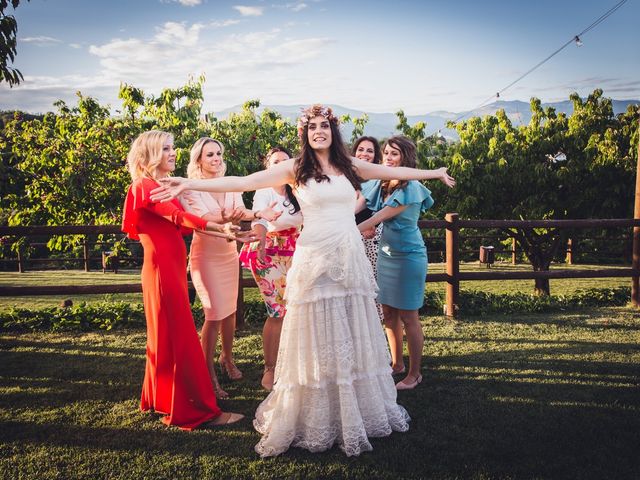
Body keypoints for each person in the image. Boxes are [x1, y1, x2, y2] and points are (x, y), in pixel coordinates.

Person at [150, 105, 455, 456]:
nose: (318, 132)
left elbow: (395, 169)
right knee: (316, 329)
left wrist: (434, 172)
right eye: (312, 128)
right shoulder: (295, 168)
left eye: (324, 126)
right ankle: (316, 406)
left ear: (332, 131)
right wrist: (188, 182)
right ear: (305, 134)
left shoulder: (348, 166)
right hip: (315, 256)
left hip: (349, 255)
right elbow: (245, 182)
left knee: (350, 325)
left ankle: (355, 405)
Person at [121, 130, 246, 429]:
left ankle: (158, 397)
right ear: (150, 154)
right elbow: (182, 220)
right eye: (166, 148)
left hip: (170, 268)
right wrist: (225, 230)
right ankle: (198, 411)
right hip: (162, 271)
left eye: (172, 147)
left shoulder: (158, 185)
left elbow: (185, 223)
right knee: (180, 338)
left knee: (164, 336)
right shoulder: (145, 186)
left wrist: (232, 230)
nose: (173, 152)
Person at [181, 137, 281, 399]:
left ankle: (227, 358)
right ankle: (209, 375)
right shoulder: (191, 188)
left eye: (218, 154)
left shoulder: (230, 183)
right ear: (199, 160)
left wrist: (260, 214)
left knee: (230, 313)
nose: (216, 159)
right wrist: (229, 217)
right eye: (209, 155)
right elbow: (201, 220)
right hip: (206, 256)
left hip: (228, 254)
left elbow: (241, 211)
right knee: (213, 314)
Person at [357, 135, 434, 389]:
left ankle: (414, 374)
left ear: (405, 158)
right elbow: (361, 203)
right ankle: (396, 364)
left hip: (409, 257)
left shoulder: (411, 187)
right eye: (386, 153)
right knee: (388, 313)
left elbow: (379, 216)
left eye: (394, 154)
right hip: (386, 255)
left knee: (409, 316)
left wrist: (349, 229)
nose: (388, 158)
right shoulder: (381, 184)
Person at [238, 147, 303, 391]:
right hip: (269, 253)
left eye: (285, 161)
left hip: (299, 251)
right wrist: (262, 241)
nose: (280, 165)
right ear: (268, 166)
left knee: (298, 309)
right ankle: (270, 367)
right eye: (275, 162)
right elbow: (260, 221)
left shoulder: (299, 190)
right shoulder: (264, 190)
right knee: (277, 311)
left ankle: (295, 364)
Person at [352, 136, 384, 322]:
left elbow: (381, 207)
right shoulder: (345, 176)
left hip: (370, 236)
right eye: (361, 149)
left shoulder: (378, 177)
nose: (364, 154)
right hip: (347, 235)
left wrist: (371, 225)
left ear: (375, 156)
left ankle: (374, 323)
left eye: (369, 151)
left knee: (371, 281)